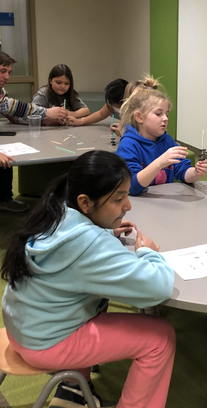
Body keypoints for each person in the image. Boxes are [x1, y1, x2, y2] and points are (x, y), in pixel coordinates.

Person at [1, 150, 176, 408]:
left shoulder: (56, 209)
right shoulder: (89, 243)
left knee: (96, 298)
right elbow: (158, 287)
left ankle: (74, 388)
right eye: (118, 199)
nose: (127, 206)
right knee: (161, 338)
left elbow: (79, 257)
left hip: (23, 327)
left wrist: (104, 229)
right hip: (45, 342)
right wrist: (147, 252)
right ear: (85, 203)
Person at [116, 76, 207, 195]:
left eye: (166, 114)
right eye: (158, 114)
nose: (165, 118)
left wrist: (196, 172)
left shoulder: (167, 141)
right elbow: (131, 186)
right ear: (139, 117)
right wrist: (160, 162)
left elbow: (182, 171)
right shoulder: (128, 145)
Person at [0, 52, 67, 212]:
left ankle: (3, 199)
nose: (7, 76)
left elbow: (12, 115)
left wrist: (41, 120)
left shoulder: (1, 90)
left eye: (9, 72)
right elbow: (11, 106)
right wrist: (46, 113)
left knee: (6, 156)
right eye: (3, 70)